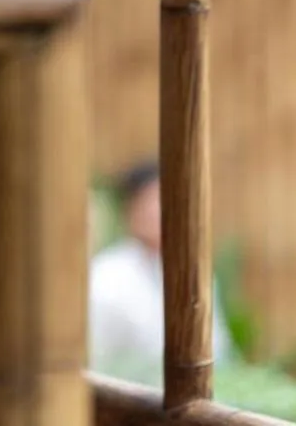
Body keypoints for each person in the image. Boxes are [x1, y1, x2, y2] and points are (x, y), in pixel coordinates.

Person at [88, 159, 233, 375]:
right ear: (131, 210)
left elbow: (220, 351)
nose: (163, 211)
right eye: (154, 201)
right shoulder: (106, 277)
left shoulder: (198, 272)